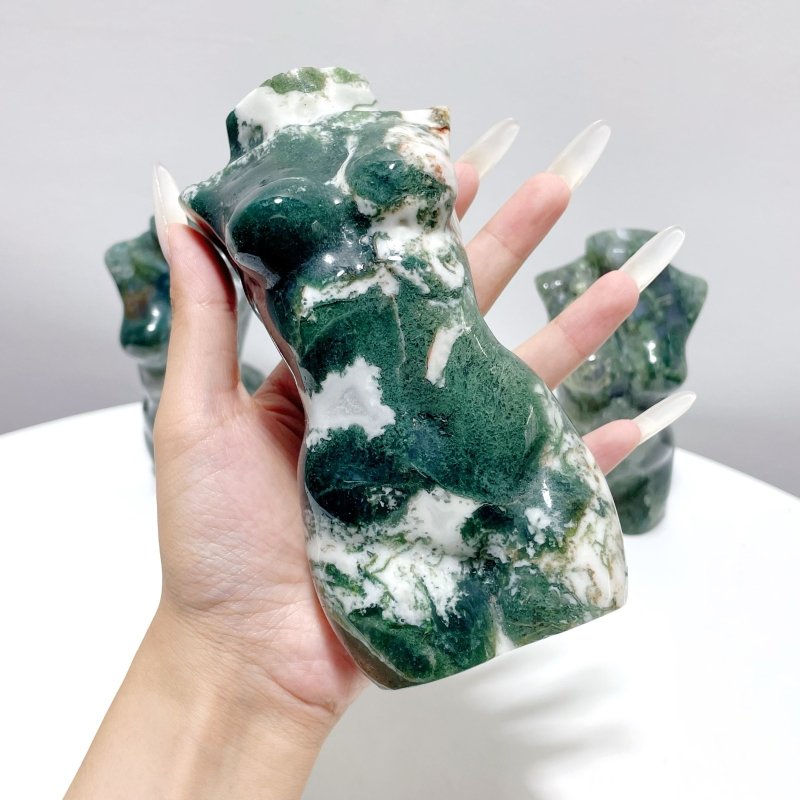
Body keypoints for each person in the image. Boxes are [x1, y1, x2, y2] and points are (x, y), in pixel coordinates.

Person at [65, 120, 691, 798]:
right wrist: (230, 654)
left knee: (541, 544)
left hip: (486, 413)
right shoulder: (232, 195)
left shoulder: (406, 136)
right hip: (359, 475)